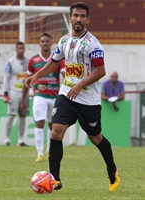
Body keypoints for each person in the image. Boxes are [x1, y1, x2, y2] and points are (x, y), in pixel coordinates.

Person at [25, 2, 120, 192]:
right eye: (75, 15)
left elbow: (101, 71)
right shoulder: (64, 40)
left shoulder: (92, 44)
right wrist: (36, 76)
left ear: (87, 19)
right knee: (55, 132)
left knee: (95, 138)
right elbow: (54, 63)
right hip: (66, 94)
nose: (78, 19)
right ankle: (55, 180)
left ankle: (112, 170)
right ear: (70, 18)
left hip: (88, 99)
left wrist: (80, 84)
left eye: (82, 16)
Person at [21, 33, 65, 162]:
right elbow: (27, 80)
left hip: (54, 96)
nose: (45, 43)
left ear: (51, 43)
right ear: (39, 44)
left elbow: (64, 74)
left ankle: (50, 151)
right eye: (42, 41)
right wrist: (23, 99)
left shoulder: (58, 59)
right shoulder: (33, 60)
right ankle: (39, 153)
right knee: (40, 122)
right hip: (39, 95)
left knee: (53, 125)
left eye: (47, 41)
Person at [3, 41, 29, 147]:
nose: (21, 50)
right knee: (11, 116)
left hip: (25, 93)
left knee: (23, 116)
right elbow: (6, 78)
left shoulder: (28, 62)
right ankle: (7, 139)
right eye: (19, 48)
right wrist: (6, 93)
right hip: (13, 92)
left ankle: (21, 140)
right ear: (16, 49)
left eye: (22, 48)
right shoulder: (10, 62)